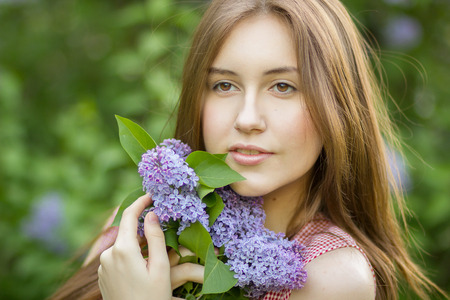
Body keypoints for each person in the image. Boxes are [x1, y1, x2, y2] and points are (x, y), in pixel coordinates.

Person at [50, 0, 445, 299]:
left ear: (337, 105)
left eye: (283, 87)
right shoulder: (141, 224)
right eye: (224, 85)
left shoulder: (329, 276)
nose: (247, 118)